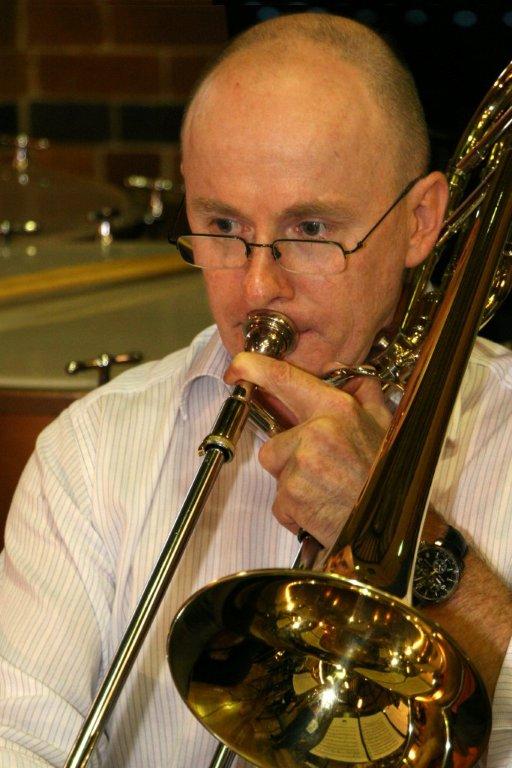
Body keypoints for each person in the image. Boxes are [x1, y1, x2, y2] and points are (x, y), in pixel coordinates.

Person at [0, 12, 510, 768]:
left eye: (311, 229)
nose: (258, 288)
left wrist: (425, 552)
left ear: (419, 221)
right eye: (222, 224)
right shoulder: (93, 450)